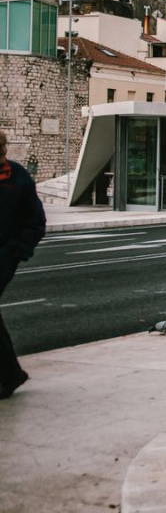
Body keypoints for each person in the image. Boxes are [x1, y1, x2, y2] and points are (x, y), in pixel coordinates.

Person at [0, 130, 45, 399]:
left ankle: (10, 374)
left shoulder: (17, 178)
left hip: (4, 255)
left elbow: (35, 221)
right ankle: (10, 373)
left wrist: (15, 251)